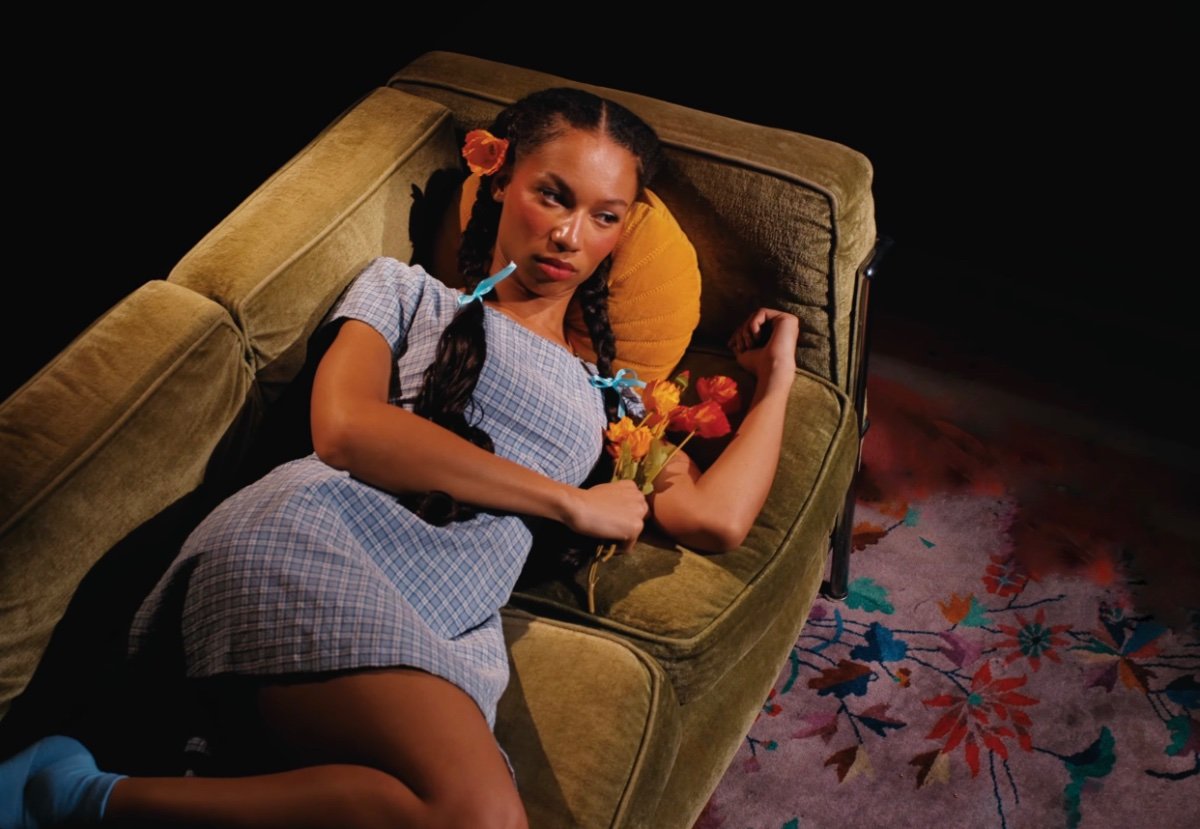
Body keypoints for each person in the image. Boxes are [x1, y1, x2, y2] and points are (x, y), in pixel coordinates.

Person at [0, 86, 799, 828]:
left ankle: (82, 790)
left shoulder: (613, 404)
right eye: (553, 195)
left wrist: (778, 379)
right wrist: (569, 501)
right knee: (478, 815)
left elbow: (717, 519)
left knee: (431, 810)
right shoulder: (408, 292)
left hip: (443, 619)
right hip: (310, 542)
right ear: (501, 181)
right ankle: (65, 795)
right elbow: (346, 429)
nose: (568, 234)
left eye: (603, 216)